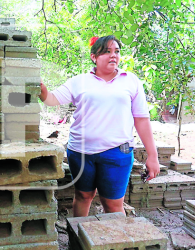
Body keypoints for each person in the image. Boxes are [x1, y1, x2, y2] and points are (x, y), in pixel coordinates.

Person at [39, 35, 160, 216]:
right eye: (107, 52)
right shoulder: (79, 81)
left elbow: (141, 119)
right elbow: (51, 99)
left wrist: (153, 156)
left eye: (116, 51)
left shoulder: (130, 80)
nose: (113, 56)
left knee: (112, 204)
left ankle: (112, 242)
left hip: (117, 152)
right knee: (83, 196)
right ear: (94, 57)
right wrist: (40, 89)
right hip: (80, 152)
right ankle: (78, 240)